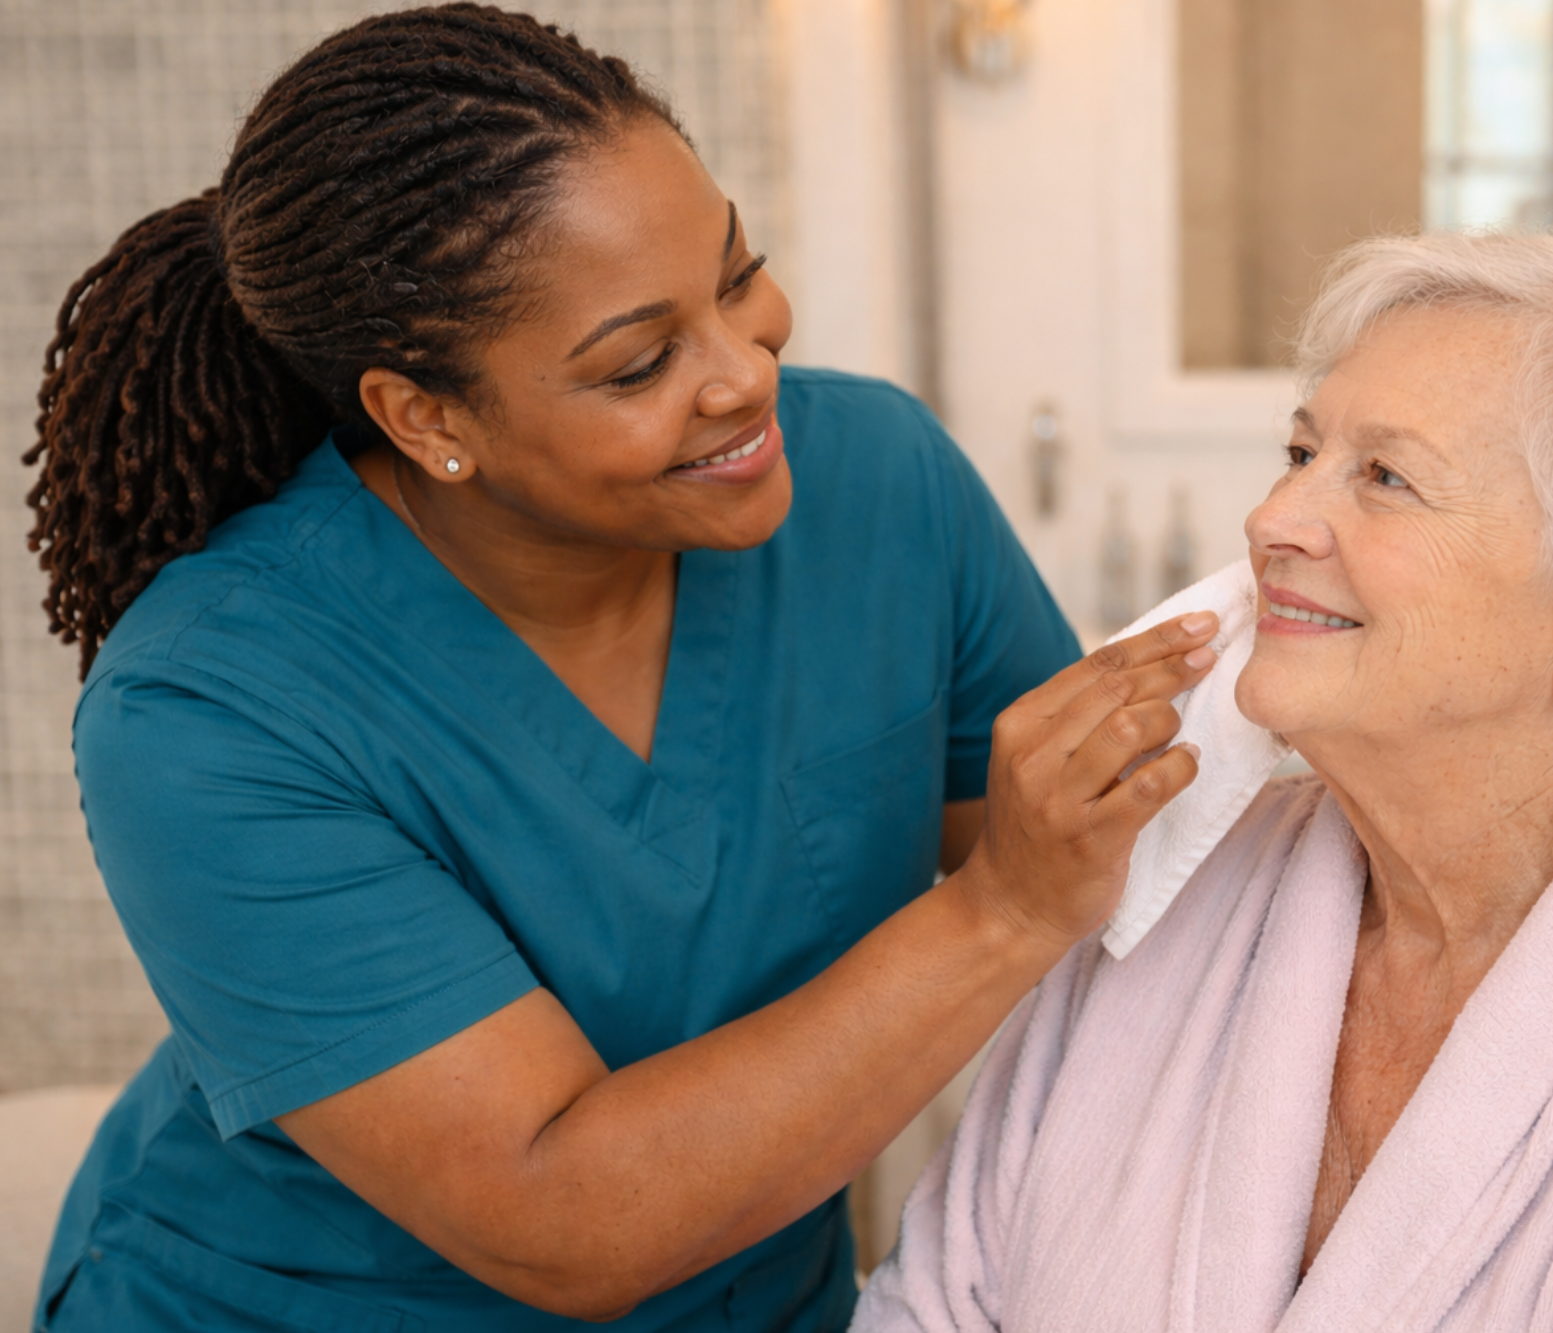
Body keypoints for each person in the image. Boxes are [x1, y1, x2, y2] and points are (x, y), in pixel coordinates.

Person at [23, 7, 1218, 1330]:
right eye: (640, 363)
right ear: (427, 417)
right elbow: (560, 1220)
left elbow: (1129, 884)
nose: (745, 374)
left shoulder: (879, 484)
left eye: (738, 276)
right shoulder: (212, 705)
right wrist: (997, 911)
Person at [854, 233, 1553, 1332]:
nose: (1272, 520)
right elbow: (932, 1305)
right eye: (1300, 452)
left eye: (1385, 477)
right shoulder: (1167, 889)